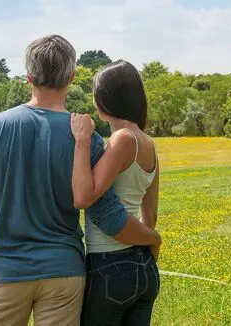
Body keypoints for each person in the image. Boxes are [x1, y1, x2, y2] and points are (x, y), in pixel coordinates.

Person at [0, 34, 162, 326]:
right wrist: (151, 238)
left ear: (28, 77)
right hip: (65, 272)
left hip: (9, 271)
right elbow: (106, 215)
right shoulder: (87, 138)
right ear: (71, 77)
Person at [71, 60, 160, 325]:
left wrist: (82, 141)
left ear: (103, 101)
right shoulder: (149, 143)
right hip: (144, 268)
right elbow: (151, 215)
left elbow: (84, 197)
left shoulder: (123, 139)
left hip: (109, 266)